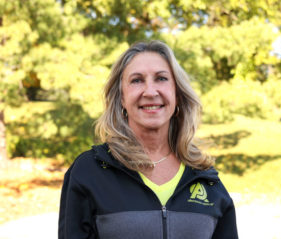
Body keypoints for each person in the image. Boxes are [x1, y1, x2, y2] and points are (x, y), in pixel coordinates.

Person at [58, 40, 238, 239]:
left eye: (161, 78)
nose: (151, 92)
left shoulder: (206, 180)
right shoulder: (89, 172)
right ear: (122, 99)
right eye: (137, 80)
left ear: (177, 94)